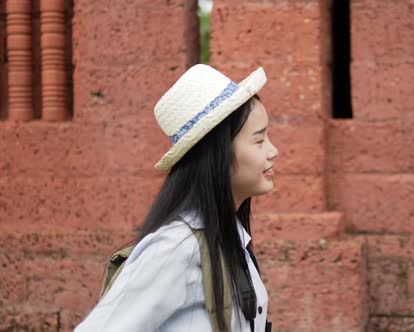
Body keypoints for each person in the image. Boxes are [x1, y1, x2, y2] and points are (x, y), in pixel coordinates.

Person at [75, 64, 279, 331]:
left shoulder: (229, 238)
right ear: (218, 154)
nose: (273, 150)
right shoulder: (176, 247)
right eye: (259, 140)